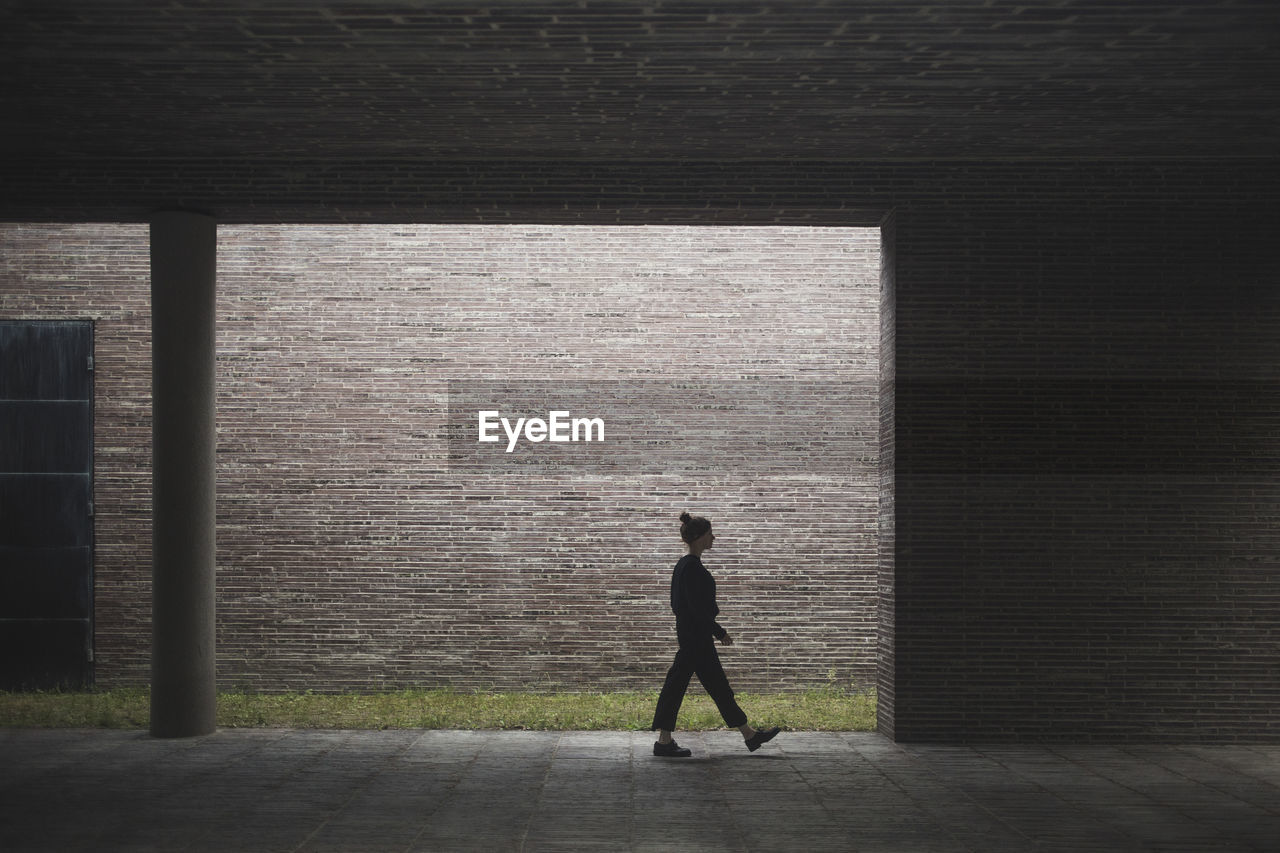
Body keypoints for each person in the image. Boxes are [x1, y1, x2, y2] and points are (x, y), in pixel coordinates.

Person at [651, 511, 781, 757]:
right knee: (680, 686)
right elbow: (696, 608)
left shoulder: (684, 566)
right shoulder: (692, 568)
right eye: (711, 534)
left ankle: (749, 734)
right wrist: (719, 632)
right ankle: (664, 742)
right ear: (700, 537)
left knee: (714, 686)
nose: (714, 538)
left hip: (693, 637)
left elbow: (684, 606)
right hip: (695, 640)